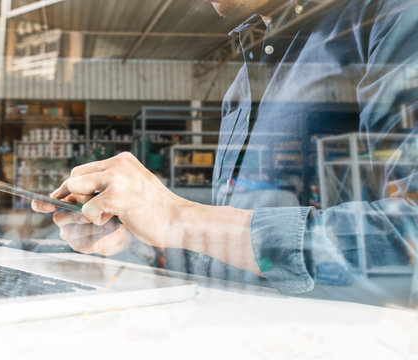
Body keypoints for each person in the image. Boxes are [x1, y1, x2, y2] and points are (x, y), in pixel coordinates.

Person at [33, 0, 418, 307]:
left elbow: (409, 238)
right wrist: (138, 235)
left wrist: (179, 218)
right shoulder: (241, 87)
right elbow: (233, 245)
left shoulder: (390, 18)